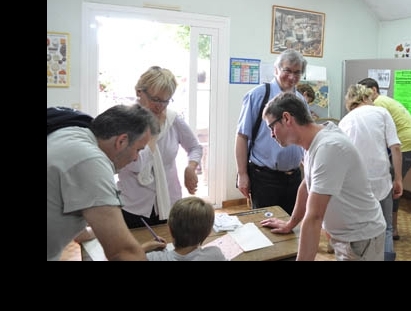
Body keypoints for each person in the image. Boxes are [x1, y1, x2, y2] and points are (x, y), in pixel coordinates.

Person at [260, 92, 386, 261]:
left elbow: (314, 217)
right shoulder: (313, 141)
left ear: (287, 118)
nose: (272, 134)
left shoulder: (329, 147)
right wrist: (291, 224)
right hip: (347, 237)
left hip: (361, 239)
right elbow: (307, 185)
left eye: (271, 127)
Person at [47, 104, 166, 261]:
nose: (136, 158)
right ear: (122, 141)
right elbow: (122, 252)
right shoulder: (90, 161)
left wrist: (139, 248)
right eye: (138, 150)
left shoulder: (73, 132)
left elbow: (78, 228)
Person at [117, 66, 203, 229]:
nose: (160, 106)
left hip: (169, 202)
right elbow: (135, 165)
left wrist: (190, 168)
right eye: (156, 99)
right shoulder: (124, 121)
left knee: (168, 243)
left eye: (166, 100)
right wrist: (153, 132)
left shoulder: (172, 119)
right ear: (139, 92)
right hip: (133, 206)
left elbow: (195, 147)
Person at [235, 49, 309, 215]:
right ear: (276, 70)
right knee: (265, 225)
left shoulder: (301, 101)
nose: (292, 77)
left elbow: (304, 137)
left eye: (297, 72)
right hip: (264, 179)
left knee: (291, 224)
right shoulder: (258, 95)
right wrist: (242, 174)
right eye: (287, 70)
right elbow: (242, 136)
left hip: (294, 178)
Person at [338, 84, 403, 261]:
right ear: (367, 97)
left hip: (355, 186)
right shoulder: (382, 113)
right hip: (381, 181)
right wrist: (398, 179)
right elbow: (395, 148)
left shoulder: (345, 121)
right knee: (386, 227)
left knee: (359, 229)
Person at [358, 77, 411, 240]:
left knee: (391, 186)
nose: (363, 98)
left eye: (365, 93)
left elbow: (377, 133)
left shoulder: (378, 104)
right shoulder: (384, 101)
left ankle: (390, 229)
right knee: (391, 184)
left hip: (405, 147)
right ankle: (388, 227)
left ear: (373, 90)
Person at [146, 196, 226, 261]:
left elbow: (138, 255)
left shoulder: (153, 257)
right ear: (208, 232)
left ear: (170, 229)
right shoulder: (215, 255)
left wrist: (145, 247)